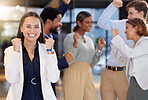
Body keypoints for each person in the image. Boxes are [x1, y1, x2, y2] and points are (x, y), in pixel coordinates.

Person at [97, 0, 148, 100]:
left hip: (127, 74)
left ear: (141, 13)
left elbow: (130, 54)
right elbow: (102, 22)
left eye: (131, 13)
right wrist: (112, 6)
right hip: (109, 70)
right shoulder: (122, 24)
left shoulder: (145, 38)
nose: (128, 16)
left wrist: (116, 38)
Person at [4, 12, 60, 100]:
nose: (32, 31)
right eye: (28, 26)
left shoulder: (48, 50)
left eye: (36, 27)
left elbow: (54, 78)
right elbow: (11, 79)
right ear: (21, 28)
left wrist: (49, 51)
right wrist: (16, 51)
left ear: (41, 29)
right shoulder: (10, 51)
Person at [63, 11, 106, 100]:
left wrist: (99, 49)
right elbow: (69, 60)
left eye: (91, 22)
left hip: (88, 73)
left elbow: (92, 64)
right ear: (79, 23)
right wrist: (75, 44)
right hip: (73, 73)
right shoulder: (70, 37)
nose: (90, 25)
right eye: (87, 22)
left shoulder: (90, 40)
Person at [40, 0, 73, 96]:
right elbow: (43, 66)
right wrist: (64, 61)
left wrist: (65, 4)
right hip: (44, 87)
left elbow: (57, 15)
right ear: (48, 21)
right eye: (59, 21)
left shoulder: (49, 35)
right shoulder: (39, 40)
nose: (61, 24)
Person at [111, 18, 148, 100]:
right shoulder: (132, 45)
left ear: (136, 28)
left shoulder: (146, 42)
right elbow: (121, 62)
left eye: (127, 28)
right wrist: (114, 47)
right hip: (132, 82)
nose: (125, 31)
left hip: (143, 84)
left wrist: (117, 38)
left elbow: (130, 54)